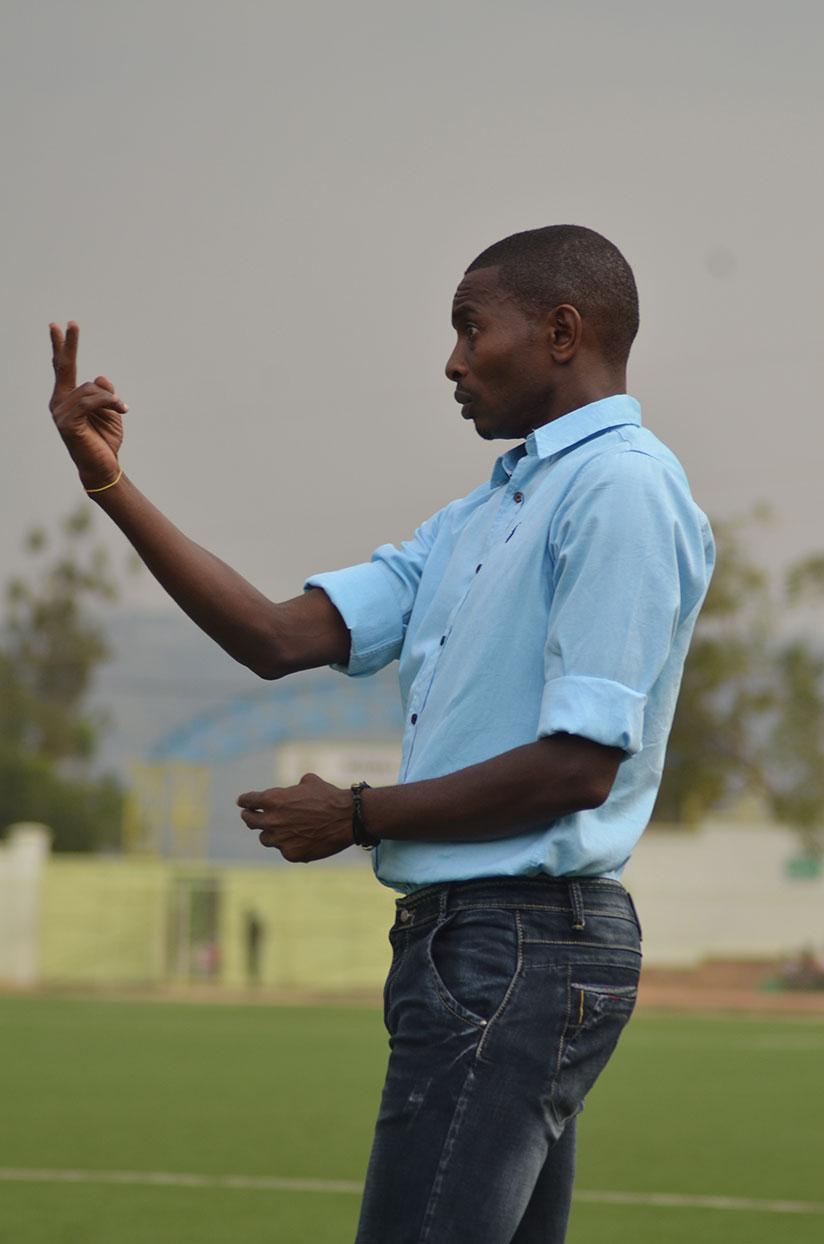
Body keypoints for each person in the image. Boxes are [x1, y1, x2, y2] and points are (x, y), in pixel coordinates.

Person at [48, 224, 714, 1244]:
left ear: (561, 329)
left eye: (468, 327)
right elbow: (275, 636)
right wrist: (107, 482)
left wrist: (356, 812)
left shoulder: (619, 486)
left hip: (522, 941)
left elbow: (578, 765)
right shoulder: (480, 514)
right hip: (479, 944)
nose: (450, 360)